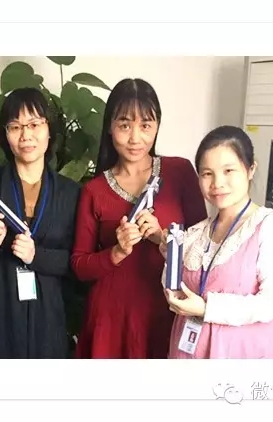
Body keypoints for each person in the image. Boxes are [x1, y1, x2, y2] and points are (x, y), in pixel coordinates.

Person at [70, 78, 208, 359]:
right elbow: (80, 266)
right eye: (124, 125)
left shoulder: (180, 172)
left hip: (167, 310)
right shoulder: (94, 190)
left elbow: (204, 247)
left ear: (157, 126)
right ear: (110, 127)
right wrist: (117, 252)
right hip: (111, 318)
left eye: (145, 125)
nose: (135, 138)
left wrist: (162, 237)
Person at [0, 87, 81, 359]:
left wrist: (37, 256)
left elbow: (77, 261)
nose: (26, 135)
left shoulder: (70, 192)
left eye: (34, 124)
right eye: (15, 127)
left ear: (49, 130)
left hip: (48, 314)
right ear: (5, 134)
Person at [159, 125, 273, 359]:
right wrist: (170, 256)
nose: (217, 183)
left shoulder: (272, 226)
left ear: (250, 169)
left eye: (228, 171)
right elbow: (174, 289)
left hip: (242, 353)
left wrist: (208, 309)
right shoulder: (196, 233)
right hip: (189, 350)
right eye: (207, 173)